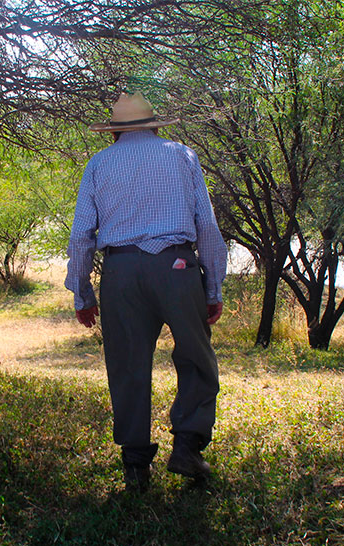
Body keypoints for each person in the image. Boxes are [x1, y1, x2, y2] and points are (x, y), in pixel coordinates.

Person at [65, 93, 229, 492]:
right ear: (155, 125)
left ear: (116, 131)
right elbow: (206, 226)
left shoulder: (99, 163)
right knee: (196, 358)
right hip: (175, 266)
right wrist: (213, 286)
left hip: (121, 272)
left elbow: (81, 236)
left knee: (127, 366)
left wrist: (82, 292)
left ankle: (136, 465)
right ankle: (188, 446)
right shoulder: (182, 156)